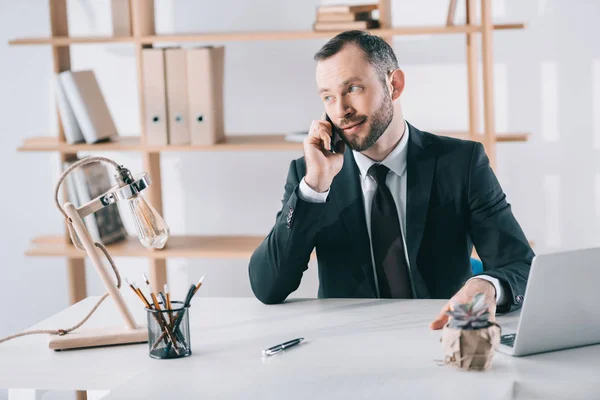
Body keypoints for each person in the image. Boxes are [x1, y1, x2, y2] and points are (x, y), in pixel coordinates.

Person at [248, 30, 534, 330]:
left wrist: (487, 286)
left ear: (394, 85)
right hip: (349, 347)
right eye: (328, 97)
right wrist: (315, 187)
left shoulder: (460, 163)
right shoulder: (311, 176)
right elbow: (268, 288)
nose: (340, 110)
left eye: (354, 88)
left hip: (440, 336)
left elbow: (521, 264)